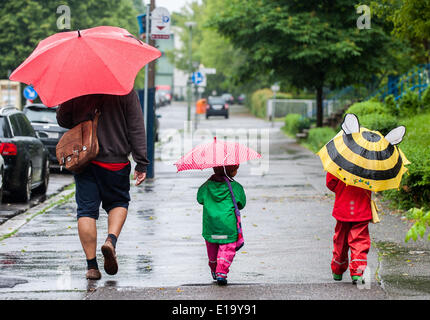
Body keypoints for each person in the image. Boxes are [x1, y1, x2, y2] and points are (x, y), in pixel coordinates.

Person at [56, 89, 148, 280]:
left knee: (86, 211)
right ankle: (110, 241)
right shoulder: (124, 88)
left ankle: (91, 267)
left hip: (84, 158)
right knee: (119, 203)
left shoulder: (78, 87)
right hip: (116, 161)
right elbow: (136, 125)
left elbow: (64, 120)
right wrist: (141, 161)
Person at [197, 165, 246, 285]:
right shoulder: (236, 187)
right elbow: (241, 204)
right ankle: (221, 273)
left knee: (212, 250)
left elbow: (200, 199)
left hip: (211, 226)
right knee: (227, 249)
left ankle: (214, 269)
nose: (236, 171)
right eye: (235, 169)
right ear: (229, 172)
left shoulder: (206, 186)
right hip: (228, 226)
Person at [326, 172, 372, 284]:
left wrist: (341, 189)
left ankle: (337, 269)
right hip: (362, 207)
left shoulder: (340, 161)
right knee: (359, 241)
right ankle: (358, 272)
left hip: (343, 207)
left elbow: (330, 182)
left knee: (340, 240)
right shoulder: (369, 163)